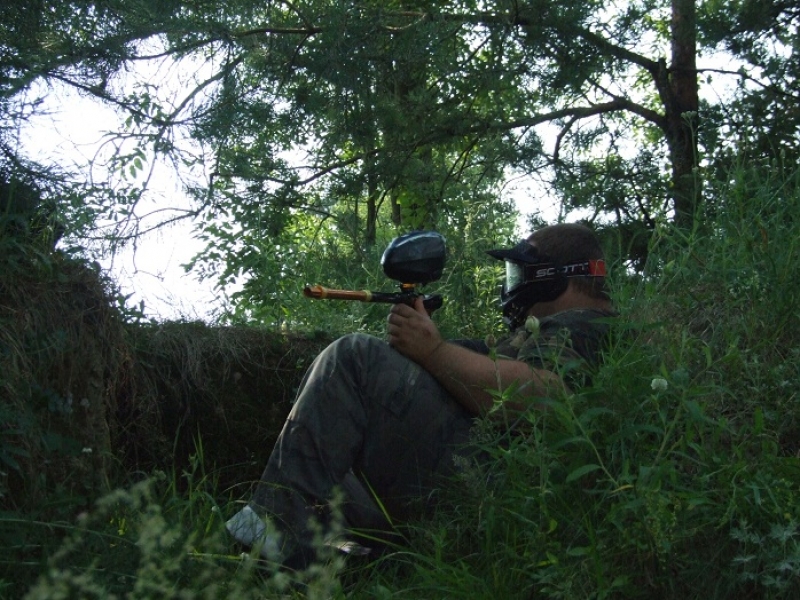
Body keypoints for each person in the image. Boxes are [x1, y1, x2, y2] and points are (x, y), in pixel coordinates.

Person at [225, 222, 615, 566]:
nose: (513, 285)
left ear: (553, 277)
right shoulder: (530, 335)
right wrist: (423, 345)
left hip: (501, 493)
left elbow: (547, 398)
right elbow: (464, 368)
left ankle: (265, 538)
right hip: (477, 490)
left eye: (520, 272)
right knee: (334, 435)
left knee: (355, 358)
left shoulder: (587, 324)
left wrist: (434, 351)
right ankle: (329, 562)